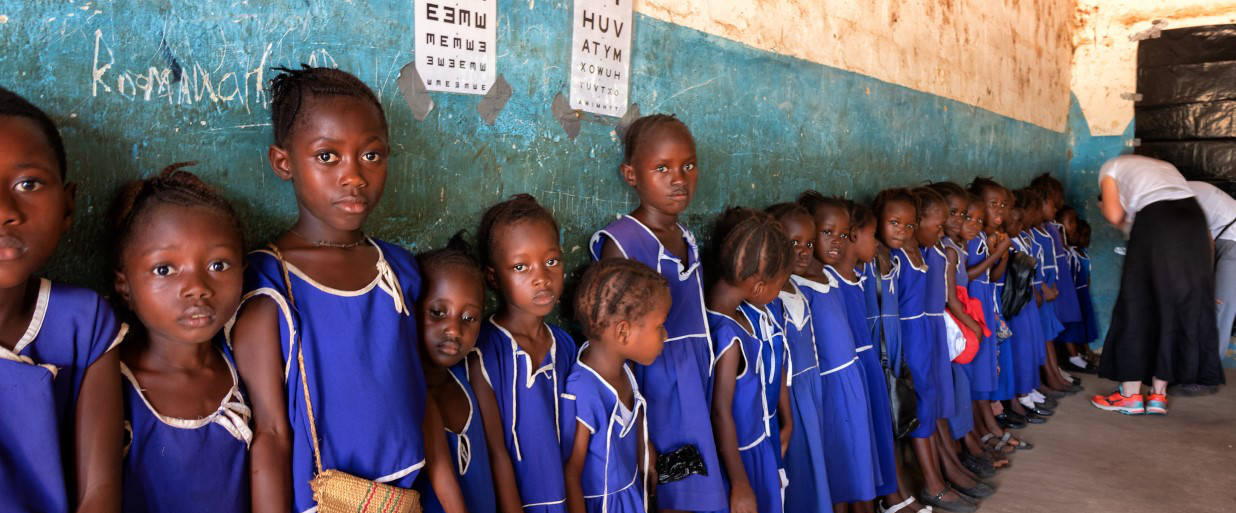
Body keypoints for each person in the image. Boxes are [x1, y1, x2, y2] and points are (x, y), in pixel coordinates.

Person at [228, 66, 465, 512]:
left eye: (371, 156)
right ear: (283, 162)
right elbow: (273, 435)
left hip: (404, 499)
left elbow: (418, 395)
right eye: (328, 157)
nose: (354, 176)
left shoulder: (397, 269)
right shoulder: (269, 286)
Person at [590, 114, 727, 513]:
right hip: (658, 390)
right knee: (671, 489)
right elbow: (613, 342)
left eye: (688, 165)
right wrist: (638, 424)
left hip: (695, 380)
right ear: (631, 174)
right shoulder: (623, 241)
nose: (679, 178)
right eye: (662, 168)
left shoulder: (685, 236)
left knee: (700, 486)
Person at [0, 86, 126, 513]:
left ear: (69, 205)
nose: (4, 210)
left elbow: (99, 495)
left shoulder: (83, 324)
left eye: (28, 183)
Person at [109, 164, 250, 513]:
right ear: (124, 285)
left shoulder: (244, 368)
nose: (198, 289)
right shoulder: (112, 383)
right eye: (165, 269)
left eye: (218, 265)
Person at [1091, 155, 1223, 415]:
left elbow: (1115, 213)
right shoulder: (1166, 167)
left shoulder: (1111, 167)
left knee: (1138, 305)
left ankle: (1129, 396)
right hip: (1194, 222)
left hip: (1157, 220)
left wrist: (1113, 215)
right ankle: (1158, 396)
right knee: (1171, 306)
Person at [472, 194, 577, 513]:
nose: (542, 278)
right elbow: (495, 450)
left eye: (552, 261)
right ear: (493, 277)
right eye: (521, 266)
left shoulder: (566, 346)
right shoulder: (484, 351)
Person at [795, 196, 884, 512]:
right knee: (839, 463)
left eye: (843, 235)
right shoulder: (796, 284)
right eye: (826, 232)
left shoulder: (829, 275)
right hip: (829, 387)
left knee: (857, 456)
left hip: (851, 377)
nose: (837, 242)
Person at [562, 259, 668, 513]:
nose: (665, 335)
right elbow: (572, 474)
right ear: (623, 333)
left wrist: (645, 451)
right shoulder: (584, 390)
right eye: (659, 326)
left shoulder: (624, 368)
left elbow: (635, 411)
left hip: (631, 496)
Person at [706, 208, 792, 513]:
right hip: (741, 460)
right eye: (779, 285)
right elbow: (721, 412)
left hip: (752, 450)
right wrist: (741, 484)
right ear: (758, 287)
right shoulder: (730, 337)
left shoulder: (722, 319)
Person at [821, 198, 902, 511]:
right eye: (873, 236)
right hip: (846, 376)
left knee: (871, 441)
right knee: (850, 450)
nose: (878, 243)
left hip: (865, 369)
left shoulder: (860, 274)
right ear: (856, 236)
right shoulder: (830, 282)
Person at [416, 232, 497, 513]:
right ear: (412, 309)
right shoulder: (409, 393)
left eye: (468, 318)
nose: (454, 330)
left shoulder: (469, 380)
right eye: (438, 312)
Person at [764, 203, 834, 512]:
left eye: (808, 243)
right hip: (789, 398)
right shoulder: (770, 298)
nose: (803, 251)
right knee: (799, 473)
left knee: (816, 464)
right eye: (794, 243)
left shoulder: (798, 288)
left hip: (812, 390)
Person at [1186, 180, 1236, 373]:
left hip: (1232, 240)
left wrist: (1206, 282)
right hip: (1222, 237)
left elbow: (1206, 241)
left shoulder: (1181, 196)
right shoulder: (1178, 190)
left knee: (1219, 306)